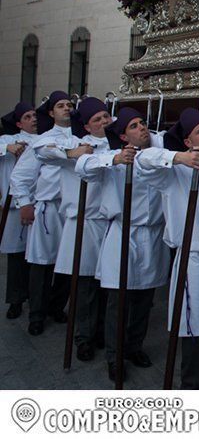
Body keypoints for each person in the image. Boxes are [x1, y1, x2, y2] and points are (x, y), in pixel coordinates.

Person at [137, 108, 199, 389]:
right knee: (195, 329)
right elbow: (143, 160)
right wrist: (179, 158)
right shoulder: (174, 171)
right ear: (188, 141)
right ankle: (190, 390)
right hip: (194, 261)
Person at [76, 107, 170, 382]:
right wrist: (116, 159)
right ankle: (114, 356)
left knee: (144, 300)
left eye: (143, 123)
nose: (142, 128)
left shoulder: (156, 154)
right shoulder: (109, 157)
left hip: (152, 235)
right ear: (122, 135)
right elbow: (82, 167)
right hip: (123, 233)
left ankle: (134, 347)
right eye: (134, 126)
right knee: (119, 302)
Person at [33, 97, 112, 361]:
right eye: (96, 119)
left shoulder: (117, 144)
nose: (103, 122)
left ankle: (103, 332)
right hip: (84, 223)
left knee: (107, 285)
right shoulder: (74, 143)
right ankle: (84, 337)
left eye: (106, 116)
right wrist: (71, 153)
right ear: (87, 126)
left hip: (111, 223)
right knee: (86, 285)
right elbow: (40, 148)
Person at [11, 91, 74, 336]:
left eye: (69, 104)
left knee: (68, 262)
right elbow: (21, 175)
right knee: (41, 263)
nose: (66, 108)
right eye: (61, 105)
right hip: (48, 207)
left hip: (71, 210)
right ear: (51, 112)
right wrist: (25, 202)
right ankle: (36, 314)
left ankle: (56, 307)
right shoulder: (42, 140)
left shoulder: (82, 137)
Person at [0, 103, 38, 319]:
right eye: (27, 116)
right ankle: (15, 300)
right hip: (13, 207)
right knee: (16, 255)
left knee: (34, 256)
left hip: (37, 204)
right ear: (18, 123)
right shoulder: (7, 140)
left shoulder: (42, 140)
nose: (33, 119)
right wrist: (8, 148)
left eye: (34, 115)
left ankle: (36, 299)